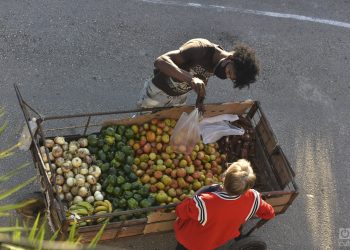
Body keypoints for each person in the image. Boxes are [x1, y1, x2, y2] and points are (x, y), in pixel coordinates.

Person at [174, 159, 275, 250]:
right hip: (217, 240)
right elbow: (269, 213)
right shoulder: (254, 197)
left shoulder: (205, 202)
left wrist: (192, 199)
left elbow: (180, 211)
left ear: (224, 178)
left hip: (192, 242)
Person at [137, 38, 260, 112]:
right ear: (231, 58)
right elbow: (160, 61)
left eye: (230, 78)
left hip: (179, 98)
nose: (226, 76)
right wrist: (190, 79)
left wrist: (200, 99)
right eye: (229, 72)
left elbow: (202, 76)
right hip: (158, 92)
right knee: (141, 124)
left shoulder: (218, 64)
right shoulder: (200, 49)